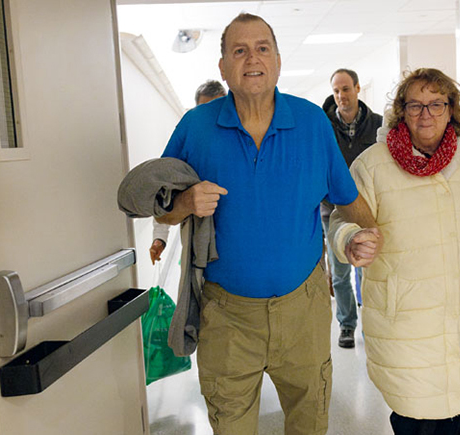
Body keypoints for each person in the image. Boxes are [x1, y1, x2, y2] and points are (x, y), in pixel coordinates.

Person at [156, 13, 379, 435]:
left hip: (304, 309)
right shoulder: (195, 127)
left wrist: (375, 236)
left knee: (309, 422)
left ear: (278, 61)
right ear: (222, 67)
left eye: (262, 48)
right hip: (227, 317)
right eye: (239, 50)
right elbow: (162, 211)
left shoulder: (312, 123)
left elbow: (347, 200)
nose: (252, 58)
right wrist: (185, 201)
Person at [329, 68, 460, 435]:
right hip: (404, 319)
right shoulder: (373, 164)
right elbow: (340, 219)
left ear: (451, 110)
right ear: (401, 111)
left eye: (436, 104)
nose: (426, 114)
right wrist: (349, 240)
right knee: (414, 415)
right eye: (415, 105)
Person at [320, 68, 383, 348]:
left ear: (357, 89)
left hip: (367, 207)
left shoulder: (379, 126)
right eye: (336, 90)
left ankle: (369, 324)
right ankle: (347, 325)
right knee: (341, 267)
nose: (341, 96)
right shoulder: (323, 127)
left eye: (346, 89)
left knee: (367, 267)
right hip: (331, 209)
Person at [150, 80, 227, 265]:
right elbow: (165, 188)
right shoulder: (188, 139)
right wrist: (160, 237)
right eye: (204, 110)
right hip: (198, 236)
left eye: (217, 108)